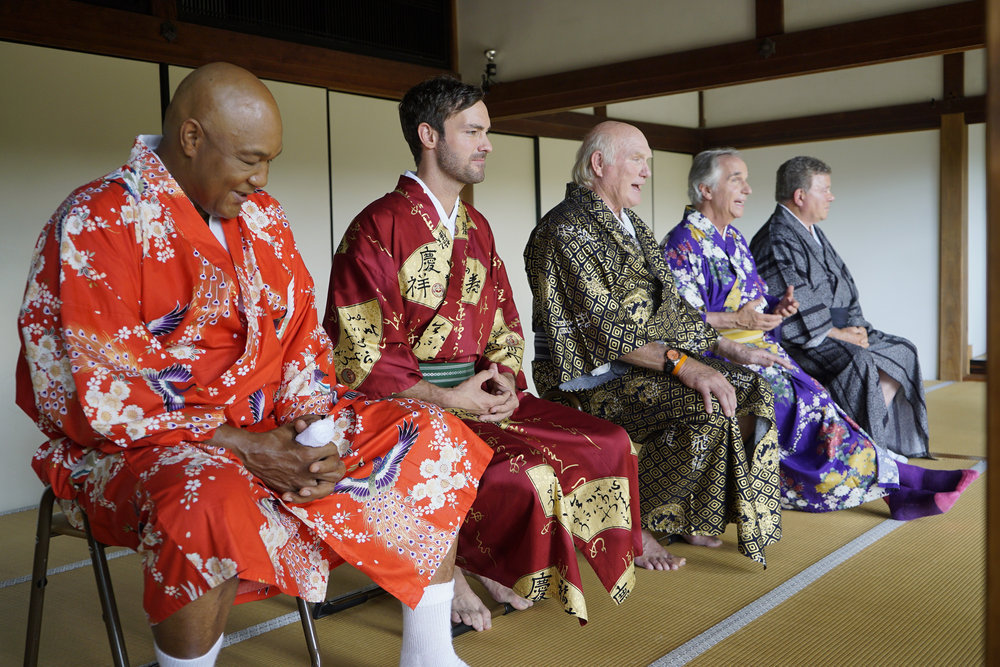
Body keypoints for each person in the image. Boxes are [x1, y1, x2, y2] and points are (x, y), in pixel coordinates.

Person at [15, 62, 492, 667]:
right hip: (146, 446)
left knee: (428, 432)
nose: (261, 178)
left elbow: (300, 343)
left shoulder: (263, 219)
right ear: (191, 139)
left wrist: (313, 435)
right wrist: (245, 444)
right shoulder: (96, 222)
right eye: (248, 159)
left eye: (270, 160)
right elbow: (95, 394)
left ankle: (428, 653)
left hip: (274, 429)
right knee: (205, 495)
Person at [325, 76, 645, 632]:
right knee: (524, 474)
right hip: (405, 401)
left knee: (609, 441)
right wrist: (447, 396)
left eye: (487, 132)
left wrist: (500, 380)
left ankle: (494, 557)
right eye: (472, 131)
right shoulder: (377, 226)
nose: (487, 144)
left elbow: (503, 322)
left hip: (476, 390)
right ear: (428, 135)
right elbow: (361, 347)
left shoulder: (476, 227)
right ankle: (456, 570)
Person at [524, 121, 788, 569]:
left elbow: (672, 309)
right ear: (599, 163)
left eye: (647, 161)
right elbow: (603, 331)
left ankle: (697, 514)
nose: (646, 171)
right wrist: (685, 365)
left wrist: (726, 350)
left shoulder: (633, 226)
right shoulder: (565, 230)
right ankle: (633, 524)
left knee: (751, 387)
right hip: (587, 378)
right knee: (703, 404)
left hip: (638, 366)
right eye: (636, 159)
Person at [662, 148, 978, 518]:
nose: (748, 189)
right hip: (719, 353)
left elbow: (758, 299)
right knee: (807, 408)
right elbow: (676, 320)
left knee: (823, 401)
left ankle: (896, 489)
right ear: (705, 189)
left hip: (761, 347)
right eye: (737, 180)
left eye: (746, 180)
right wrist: (738, 322)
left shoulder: (732, 238)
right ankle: (903, 479)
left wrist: (777, 307)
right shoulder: (681, 244)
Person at [750, 156, 930, 459]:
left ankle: (866, 436)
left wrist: (857, 327)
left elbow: (842, 284)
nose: (831, 196)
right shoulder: (776, 236)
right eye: (825, 189)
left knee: (903, 351)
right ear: (800, 195)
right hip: (799, 339)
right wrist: (839, 335)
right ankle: (867, 453)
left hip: (837, 329)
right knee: (857, 360)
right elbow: (792, 297)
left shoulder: (811, 231)